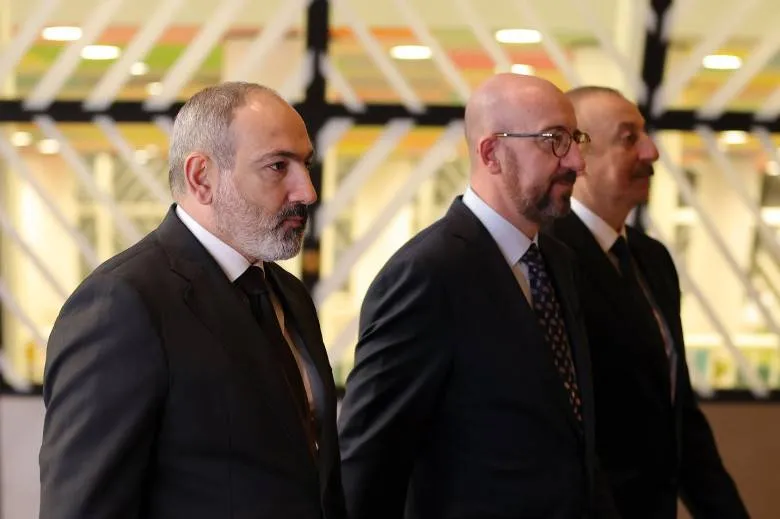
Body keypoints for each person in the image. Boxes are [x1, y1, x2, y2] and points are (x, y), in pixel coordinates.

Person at [39, 82, 346, 519]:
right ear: (201, 177)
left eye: (305, 164)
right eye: (278, 166)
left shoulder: (289, 294)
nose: (307, 191)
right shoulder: (123, 304)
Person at [337, 73, 619, 519]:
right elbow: (370, 458)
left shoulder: (558, 262)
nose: (577, 162)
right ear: (491, 154)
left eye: (575, 140)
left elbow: (571, 432)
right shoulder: (427, 273)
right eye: (554, 140)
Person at [548, 85, 749, 518]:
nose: (652, 151)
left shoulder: (652, 258)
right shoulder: (547, 259)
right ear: (580, 157)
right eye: (629, 138)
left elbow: (678, 414)